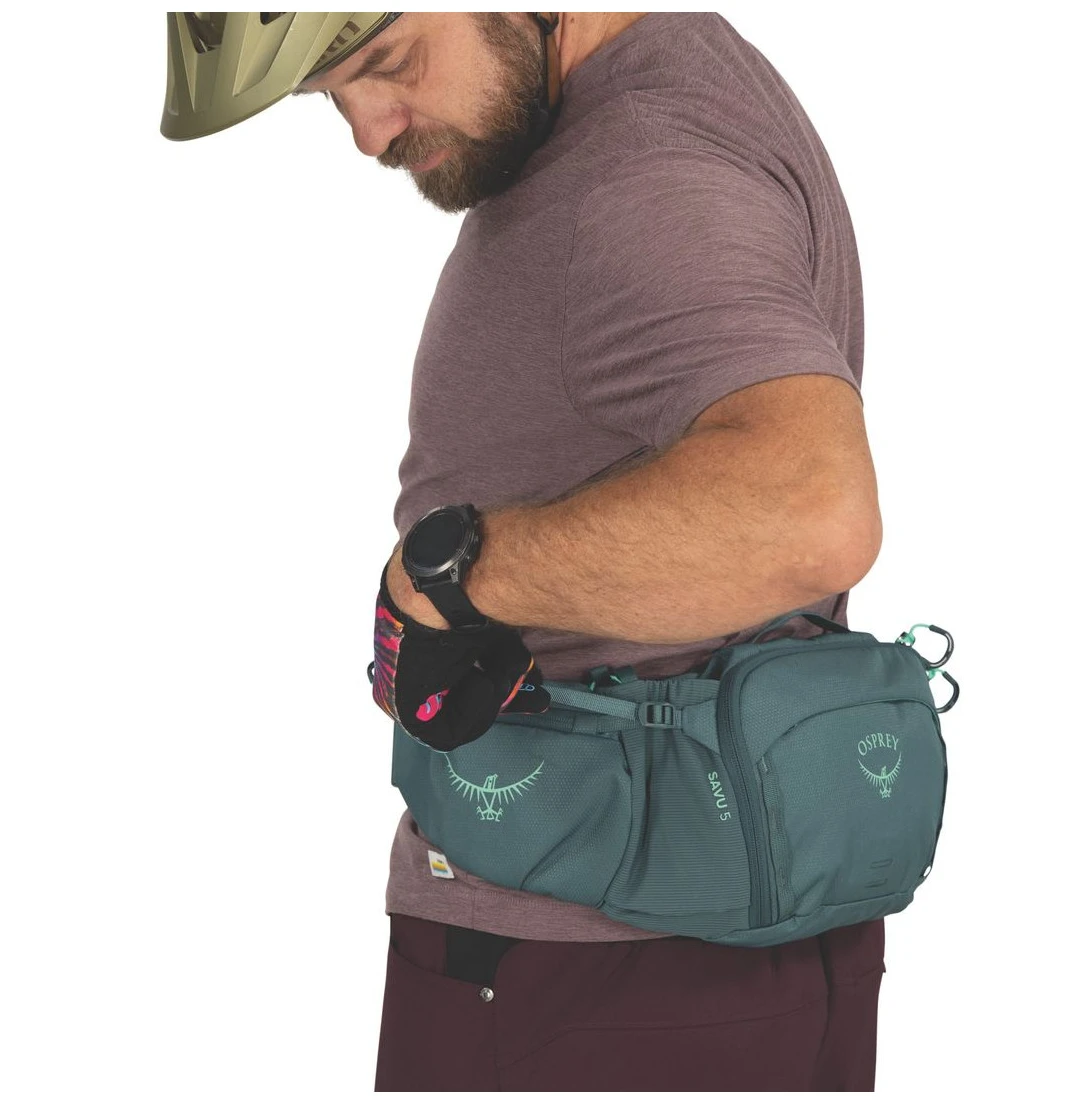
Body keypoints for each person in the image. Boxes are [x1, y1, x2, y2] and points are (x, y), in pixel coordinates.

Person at [162, 12, 886, 1091]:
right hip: (693, 953)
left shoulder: (640, 178)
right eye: (331, 98)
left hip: (593, 976)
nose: (367, 132)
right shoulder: (672, 88)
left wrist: (453, 580)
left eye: (387, 64)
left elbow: (811, 511)